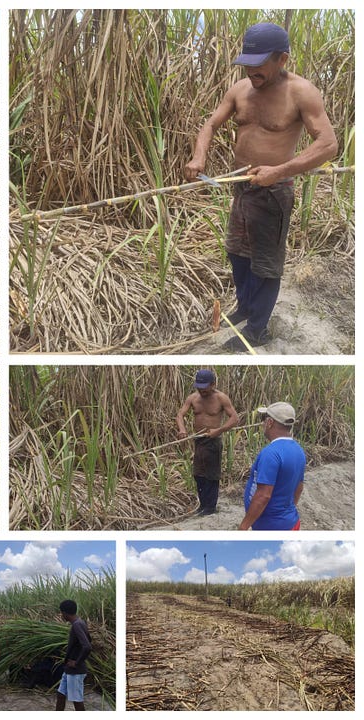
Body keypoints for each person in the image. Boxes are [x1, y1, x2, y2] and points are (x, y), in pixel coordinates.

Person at [184, 22, 338, 350]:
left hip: (273, 192)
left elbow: (328, 144)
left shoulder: (301, 92)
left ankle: (257, 330)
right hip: (243, 188)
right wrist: (199, 157)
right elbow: (211, 124)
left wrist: (278, 170)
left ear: (282, 59)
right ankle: (245, 308)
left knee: (266, 263)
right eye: (247, 63)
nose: (251, 71)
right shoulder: (240, 90)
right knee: (237, 253)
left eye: (259, 64)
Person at [176, 369, 240, 515]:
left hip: (213, 441)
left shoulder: (221, 398)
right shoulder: (193, 398)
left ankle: (210, 507)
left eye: (204, 387)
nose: (201, 390)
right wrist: (182, 429)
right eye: (199, 386)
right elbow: (180, 414)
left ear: (212, 384)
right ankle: (203, 505)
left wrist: (219, 430)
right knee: (198, 473)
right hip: (199, 440)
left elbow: (234, 418)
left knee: (211, 474)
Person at [240, 401, 305, 530]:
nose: (263, 423)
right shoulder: (299, 450)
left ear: (270, 423)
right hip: (290, 522)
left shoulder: (270, 453)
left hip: (270, 526)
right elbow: (299, 487)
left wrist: (243, 527)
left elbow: (263, 495)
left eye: (264, 419)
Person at [56, 599, 92, 711]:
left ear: (65, 613)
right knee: (61, 695)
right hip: (69, 670)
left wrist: (76, 662)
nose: (61, 615)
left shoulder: (77, 625)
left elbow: (87, 646)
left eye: (61, 613)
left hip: (75, 671)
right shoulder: (80, 622)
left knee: (77, 701)